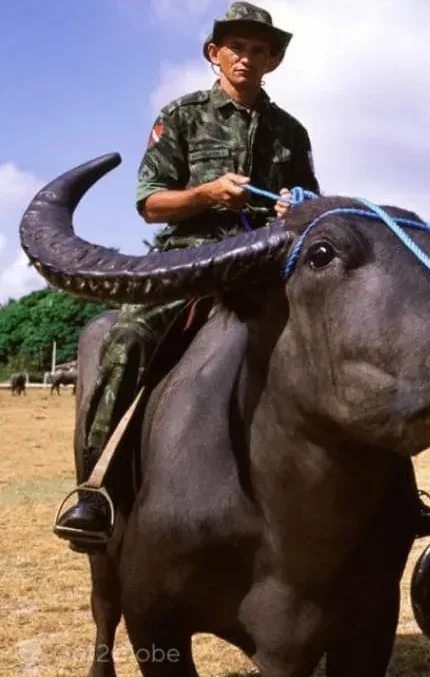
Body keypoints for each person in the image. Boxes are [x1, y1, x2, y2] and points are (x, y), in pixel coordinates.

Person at [54, 1, 320, 552]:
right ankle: (93, 492)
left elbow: (311, 199)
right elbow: (151, 204)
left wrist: (296, 204)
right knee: (125, 340)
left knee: (339, 326)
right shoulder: (179, 115)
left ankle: (386, 485)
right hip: (190, 256)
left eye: (259, 50)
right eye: (237, 47)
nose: (247, 58)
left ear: (274, 61)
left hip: (266, 258)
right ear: (214, 54)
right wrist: (205, 194)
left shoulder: (291, 131)